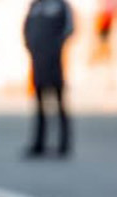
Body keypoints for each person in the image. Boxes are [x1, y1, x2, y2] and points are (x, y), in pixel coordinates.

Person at [23, 0, 75, 159]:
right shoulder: (35, 6)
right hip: (38, 62)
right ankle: (39, 144)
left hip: (55, 62)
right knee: (39, 105)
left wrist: (55, 47)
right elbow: (26, 29)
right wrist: (33, 47)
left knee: (60, 103)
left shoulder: (61, 6)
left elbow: (69, 29)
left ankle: (64, 145)